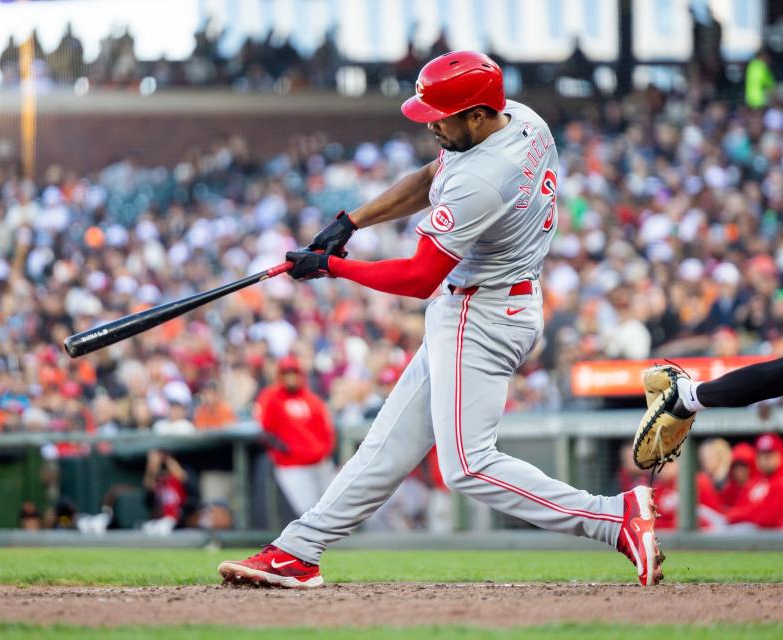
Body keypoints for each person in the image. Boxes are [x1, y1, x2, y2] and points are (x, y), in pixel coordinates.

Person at [219, 51, 664, 589]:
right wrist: (351, 221)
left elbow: (418, 278)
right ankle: (298, 550)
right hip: (495, 300)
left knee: (467, 466)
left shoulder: (484, 176)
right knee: (386, 448)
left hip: (483, 312)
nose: (431, 124)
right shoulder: (521, 118)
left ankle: (612, 518)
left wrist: (333, 267)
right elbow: (434, 173)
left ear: (477, 115)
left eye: (442, 116)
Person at [255, 356, 336, 516]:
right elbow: (265, 431)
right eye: (286, 373)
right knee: (309, 513)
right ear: (280, 375)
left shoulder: (312, 400)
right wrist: (285, 449)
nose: (291, 377)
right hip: (293, 466)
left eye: (294, 373)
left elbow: (326, 429)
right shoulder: (270, 397)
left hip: (320, 463)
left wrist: (325, 451)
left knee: (332, 509)